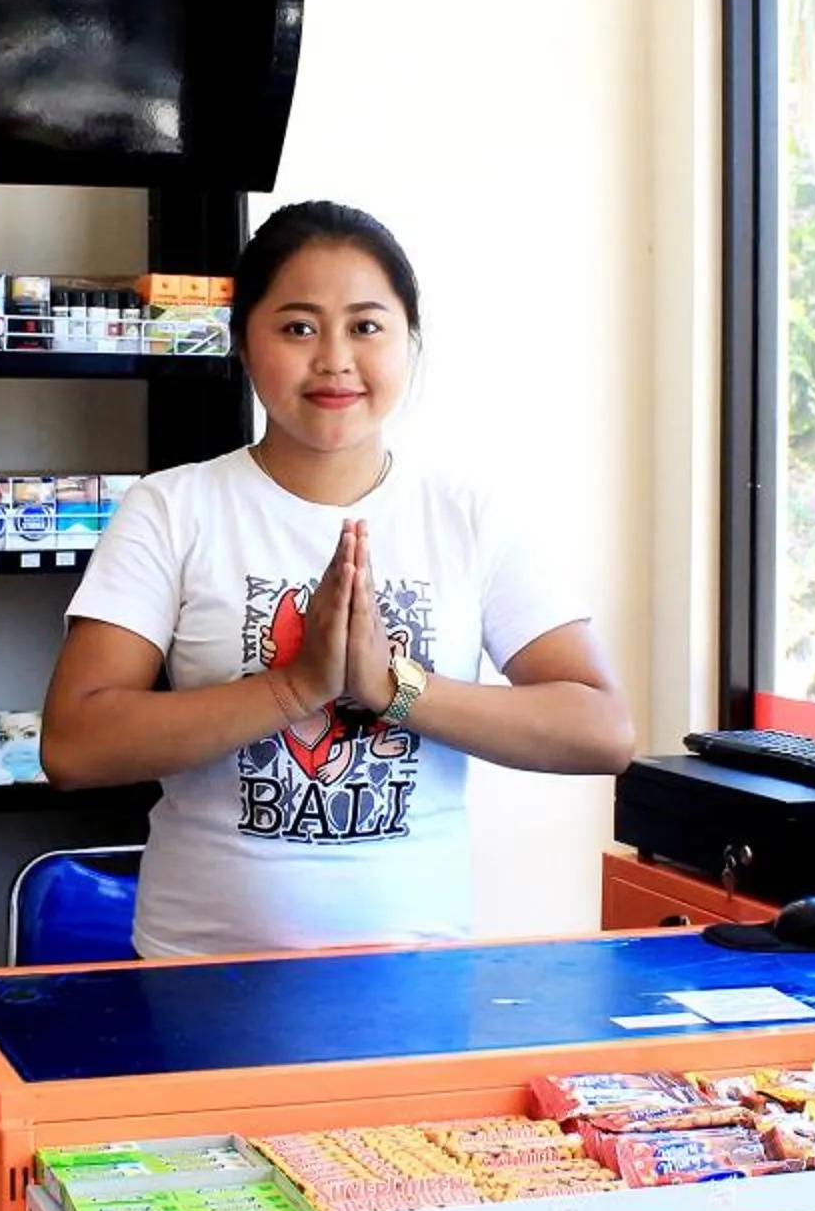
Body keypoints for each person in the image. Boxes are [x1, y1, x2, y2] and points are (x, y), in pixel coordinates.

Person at [40, 201, 633, 958]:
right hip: (201, 977)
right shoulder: (172, 508)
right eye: (297, 327)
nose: (333, 359)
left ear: (409, 345)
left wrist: (396, 688)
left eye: (366, 326)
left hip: (416, 980)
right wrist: (292, 688)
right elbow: (74, 745)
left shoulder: (470, 516)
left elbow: (601, 730)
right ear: (243, 345)